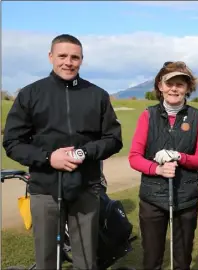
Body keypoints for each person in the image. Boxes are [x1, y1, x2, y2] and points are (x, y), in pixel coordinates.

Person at [2, 34, 123, 269]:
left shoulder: (97, 95)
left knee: (86, 260)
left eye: (75, 57)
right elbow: (13, 142)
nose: (69, 62)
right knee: (46, 259)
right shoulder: (31, 94)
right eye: (63, 56)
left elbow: (113, 139)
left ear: (81, 60)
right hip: (44, 189)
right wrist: (49, 158)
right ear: (51, 57)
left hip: (86, 188)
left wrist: (84, 153)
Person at [128, 61, 198, 269]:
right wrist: (158, 169)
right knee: (152, 260)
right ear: (160, 86)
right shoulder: (148, 115)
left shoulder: (197, 117)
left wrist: (180, 157)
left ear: (187, 89)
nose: (174, 88)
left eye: (180, 84)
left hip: (186, 199)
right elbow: (134, 157)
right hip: (153, 198)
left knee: (182, 261)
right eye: (169, 83)